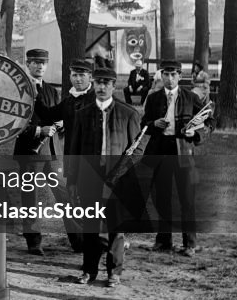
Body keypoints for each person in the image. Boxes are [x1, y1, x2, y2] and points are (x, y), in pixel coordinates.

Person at [66, 67, 146, 287]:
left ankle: (114, 273)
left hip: (118, 180)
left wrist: (119, 173)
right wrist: (72, 181)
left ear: (114, 86)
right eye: (98, 82)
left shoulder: (128, 113)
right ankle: (89, 271)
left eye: (106, 83)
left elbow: (137, 151)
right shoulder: (83, 113)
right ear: (93, 83)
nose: (101, 87)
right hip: (89, 179)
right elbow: (74, 151)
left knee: (116, 228)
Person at [143, 60, 209, 256]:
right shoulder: (154, 98)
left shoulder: (190, 98)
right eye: (166, 75)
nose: (169, 79)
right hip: (160, 149)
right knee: (162, 196)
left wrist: (196, 134)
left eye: (173, 75)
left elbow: (209, 119)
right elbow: (143, 123)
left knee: (186, 197)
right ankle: (163, 240)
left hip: (182, 150)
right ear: (161, 76)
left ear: (180, 76)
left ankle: (190, 243)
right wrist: (154, 123)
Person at [36, 58, 96, 253]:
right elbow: (48, 114)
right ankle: (81, 244)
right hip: (72, 160)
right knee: (73, 200)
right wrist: (35, 95)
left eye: (82, 75)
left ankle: (103, 244)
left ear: (91, 77)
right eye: (74, 75)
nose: (77, 79)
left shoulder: (97, 99)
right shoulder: (70, 101)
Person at [12, 48, 61, 256]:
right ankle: (33, 242)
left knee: (63, 192)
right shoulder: (18, 91)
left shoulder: (51, 91)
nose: (40, 66)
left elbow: (57, 116)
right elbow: (12, 124)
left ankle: (78, 239)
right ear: (28, 64)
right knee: (30, 198)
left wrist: (60, 123)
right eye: (35, 62)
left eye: (43, 63)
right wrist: (39, 130)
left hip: (50, 150)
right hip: (28, 150)